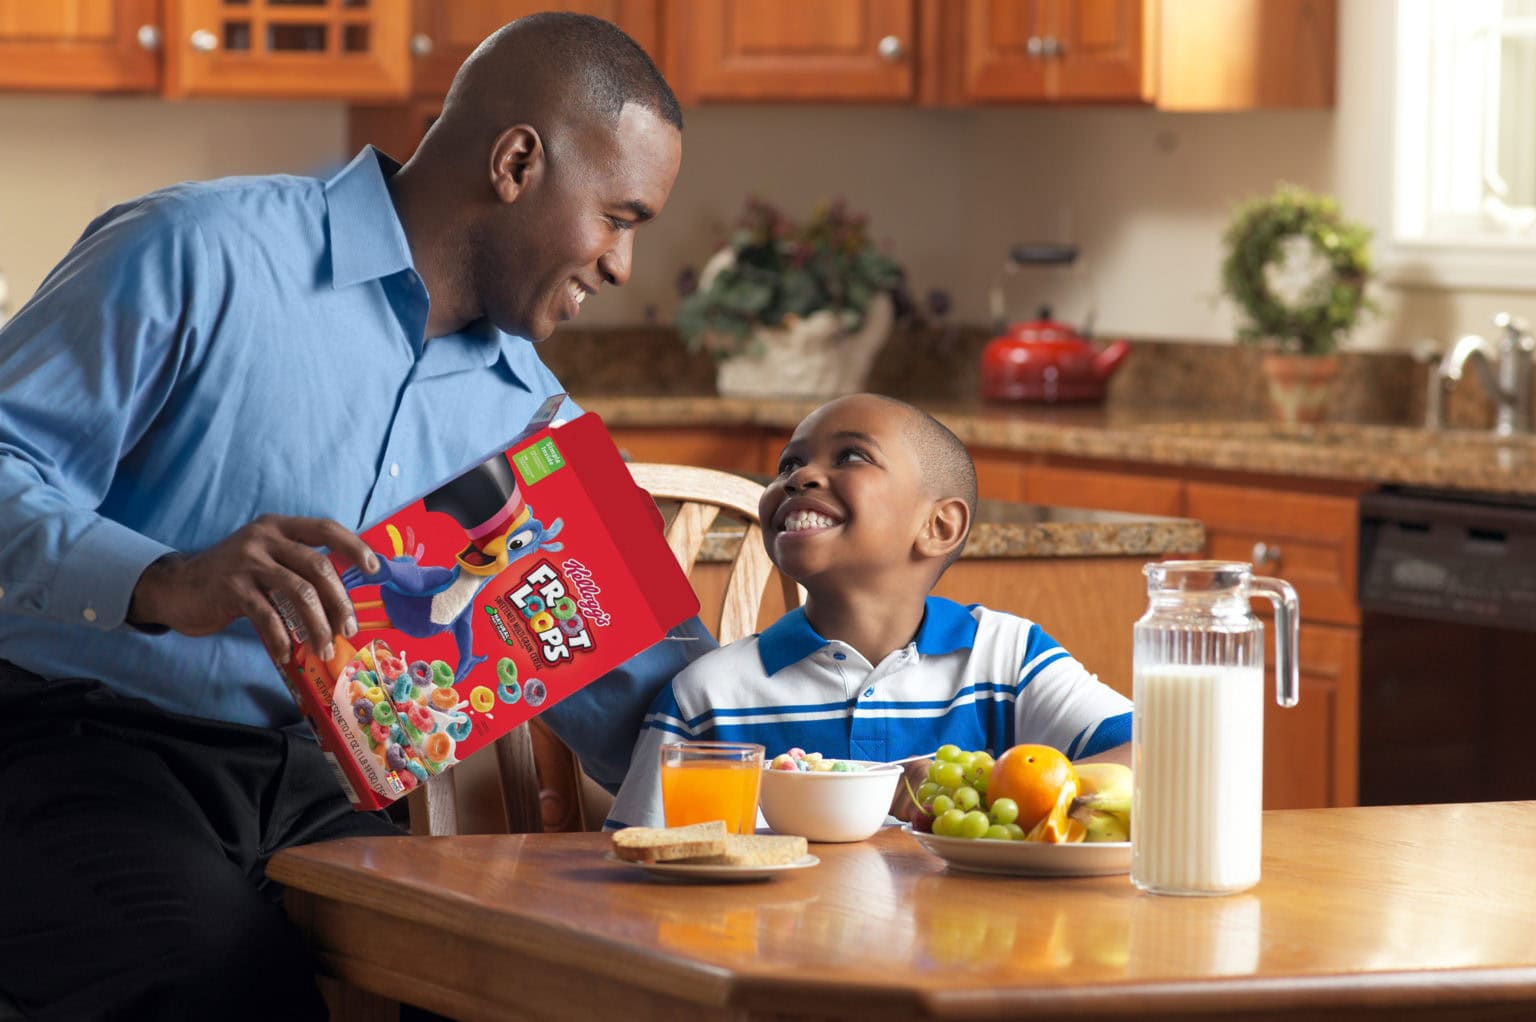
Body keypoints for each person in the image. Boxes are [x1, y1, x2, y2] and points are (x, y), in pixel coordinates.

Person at [0, 13, 712, 1021]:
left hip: (309, 787)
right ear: (516, 163)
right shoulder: (196, 251)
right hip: (66, 748)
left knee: (464, 972)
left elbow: (650, 695)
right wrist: (165, 578)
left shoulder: (533, 420)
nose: (622, 265)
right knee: (223, 980)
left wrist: (857, 705)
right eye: (620, 215)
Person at [606, 393, 1132, 831]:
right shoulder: (709, 696)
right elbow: (638, 865)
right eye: (788, 465)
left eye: (851, 457)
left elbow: (1156, 753)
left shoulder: (1007, 658)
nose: (799, 477)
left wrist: (988, 785)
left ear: (939, 527)